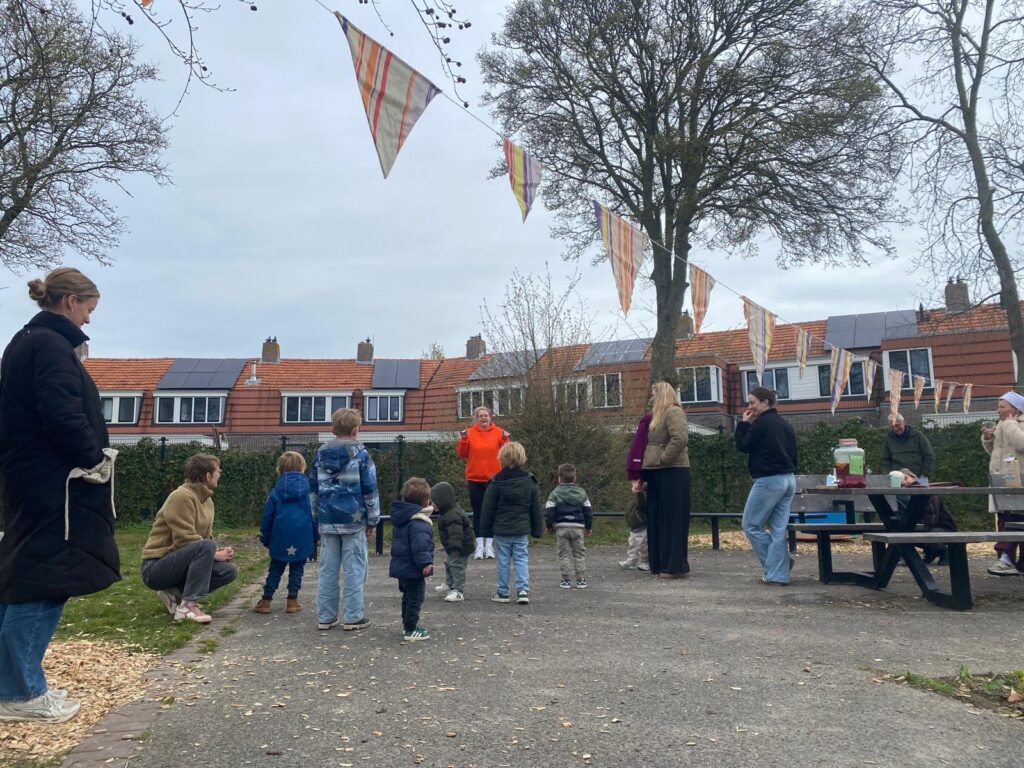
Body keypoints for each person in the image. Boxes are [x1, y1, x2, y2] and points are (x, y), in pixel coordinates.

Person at [0, 268, 120, 724]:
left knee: (18, 575)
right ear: (70, 301)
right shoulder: (51, 346)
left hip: (27, 478)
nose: (89, 319)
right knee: (46, 577)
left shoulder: (24, 341)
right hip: (57, 483)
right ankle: (20, 692)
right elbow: (62, 412)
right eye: (89, 309)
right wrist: (93, 457)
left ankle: (11, 683)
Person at [141, 454, 238, 622]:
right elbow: (183, 539)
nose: (220, 474)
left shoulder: (207, 501)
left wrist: (218, 552)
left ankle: (174, 594)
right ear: (208, 476)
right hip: (155, 567)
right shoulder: (180, 497)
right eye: (218, 471)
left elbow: (203, 539)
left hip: (177, 563)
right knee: (207, 546)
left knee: (228, 571)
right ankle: (187, 606)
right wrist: (214, 553)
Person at [312, 408, 380, 630]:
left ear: (333, 429)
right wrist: (373, 520)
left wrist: (316, 517)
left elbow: (313, 489)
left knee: (328, 569)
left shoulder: (320, 455)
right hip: (354, 519)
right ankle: (353, 616)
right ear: (355, 430)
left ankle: (326, 616)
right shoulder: (361, 455)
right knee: (355, 569)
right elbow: (370, 489)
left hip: (327, 518)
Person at [735, 386, 797, 586]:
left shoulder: (761, 424)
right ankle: (778, 574)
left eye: (752, 402)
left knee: (751, 525)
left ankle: (778, 567)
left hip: (769, 480)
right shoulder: (785, 424)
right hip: (789, 479)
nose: (750, 406)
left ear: (765, 402)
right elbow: (794, 455)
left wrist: (743, 424)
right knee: (778, 530)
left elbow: (743, 445)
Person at [253, 452, 318, 614]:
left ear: (279, 469)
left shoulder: (275, 492)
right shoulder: (309, 492)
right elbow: (315, 515)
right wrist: (315, 537)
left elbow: (267, 517)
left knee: (275, 568)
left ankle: (266, 601)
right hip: (302, 537)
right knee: (297, 569)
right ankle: (292, 601)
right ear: (302, 468)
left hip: (279, 538)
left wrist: (265, 537)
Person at [479, 442, 544, 604]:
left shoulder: (495, 482)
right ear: (522, 458)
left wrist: (484, 531)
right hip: (521, 528)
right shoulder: (529, 481)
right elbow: (535, 508)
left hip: (502, 529)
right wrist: (538, 530)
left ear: (502, 458)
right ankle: (523, 590)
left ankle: (503, 592)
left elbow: (487, 509)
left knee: (503, 561)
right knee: (521, 559)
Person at [640, 382, 692, 579]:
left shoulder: (673, 412)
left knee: (672, 519)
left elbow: (680, 438)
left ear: (661, 394)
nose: (651, 397)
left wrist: (663, 459)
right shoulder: (658, 415)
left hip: (673, 471)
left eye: (654, 393)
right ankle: (661, 563)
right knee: (658, 518)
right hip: (658, 471)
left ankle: (675, 566)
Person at [456, 406, 510, 559]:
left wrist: (505, 439)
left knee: (491, 512)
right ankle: (479, 546)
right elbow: (461, 454)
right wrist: (464, 439)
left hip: (493, 480)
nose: (484, 418)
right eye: (480, 416)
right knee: (478, 512)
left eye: (486, 415)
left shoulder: (499, 432)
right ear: (476, 418)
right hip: (475, 479)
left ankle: (490, 546)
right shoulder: (469, 433)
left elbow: (507, 454)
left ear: (490, 417)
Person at [982, 391, 1024, 576]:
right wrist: (988, 438)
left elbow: (1021, 444)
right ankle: (1005, 558)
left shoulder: (1015, 424)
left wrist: (1010, 425)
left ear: (1015, 408)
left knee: (1018, 519)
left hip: (1019, 480)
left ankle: (1012, 560)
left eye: (1002, 406)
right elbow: (993, 452)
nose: (997, 410)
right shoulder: (1001, 424)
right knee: (1005, 518)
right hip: (1002, 479)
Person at [388, 478, 435, 641]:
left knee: (407, 597)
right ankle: (410, 628)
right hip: (413, 568)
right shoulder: (419, 523)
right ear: (425, 501)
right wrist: (426, 562)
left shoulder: (403, 518)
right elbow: (420, 546)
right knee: (415, 598)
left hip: (402, 566)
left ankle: (407, 624)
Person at [545, 463, 593, 589]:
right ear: (575, 477)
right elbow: (588, 511)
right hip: (578, 527)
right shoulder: (582, 492)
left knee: (564, 554)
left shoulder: (555, 493)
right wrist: (589, 527)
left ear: (559, 478)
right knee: (579, 553)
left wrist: (549, 526)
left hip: (562, 527)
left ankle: (565, 580)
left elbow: (550, 511)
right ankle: (580, 579)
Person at [431, 481, 475, 602]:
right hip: (454, 547)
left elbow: (456, 534)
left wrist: (455, 549)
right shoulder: (446, 512)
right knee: (449, 564)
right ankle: (449, 584)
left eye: (434, 502)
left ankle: (458, 590)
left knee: (457, 566)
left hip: (460, 547)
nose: (432, 504)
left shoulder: (452, 515)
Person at [881, 413, 934, 484]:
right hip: (897, 478)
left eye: (897, 425)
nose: (895, 429)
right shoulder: (888, 439)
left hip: (919, 477)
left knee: (921, 491)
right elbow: (885, 459)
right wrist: (889, 474)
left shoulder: (918, 436)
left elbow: (929, 455)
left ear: (904, 422)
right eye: (892, 426)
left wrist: (925, 474)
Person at [619, 481, 650, 571]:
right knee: (632, 545)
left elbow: (642, 503)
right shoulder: (634, 499)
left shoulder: (644, 497)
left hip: (642, 526)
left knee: (643, 546)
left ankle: (645, 562)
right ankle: (632, 561)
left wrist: (639, 492)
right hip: (634, 527)